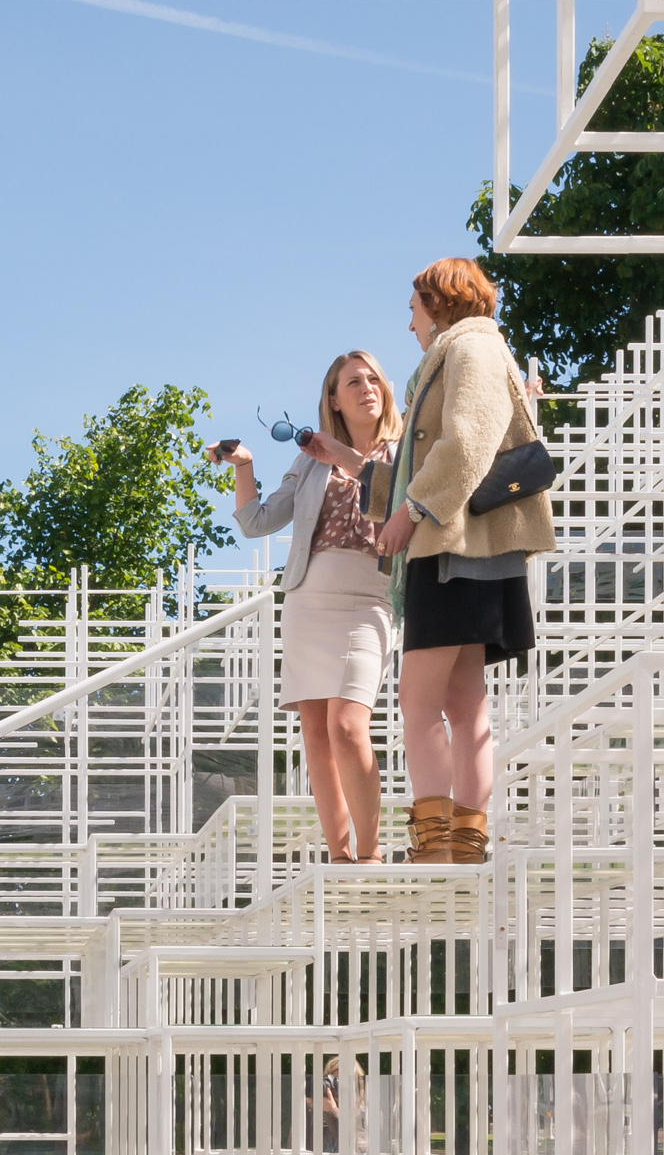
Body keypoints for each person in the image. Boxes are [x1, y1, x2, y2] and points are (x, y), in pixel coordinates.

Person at [374, 260, 555, 864]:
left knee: (419, 698)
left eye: (414, 307)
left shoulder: (472, 346)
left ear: (441, 301)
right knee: (462, 701)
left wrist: (411, 511)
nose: (409, 323)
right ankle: (464, 845)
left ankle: (435, 847)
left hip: (455, 545)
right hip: (470, 546)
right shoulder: (472, 348)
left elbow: (467, 442)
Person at [219, 351, 403, 862]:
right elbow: (257, 521)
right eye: (353, 382)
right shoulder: (308, 461)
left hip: (369, 598)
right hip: (306, 600)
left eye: (374, 380)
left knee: (348, 726)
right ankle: (340, 858)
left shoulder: (406, 449)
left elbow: (399, 501)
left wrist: (343, 458)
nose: (367, 388)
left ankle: (369, 854)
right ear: (333, 400)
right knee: (318, 735)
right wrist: (246, 465)